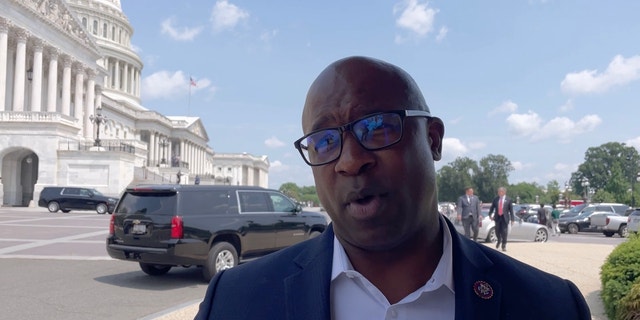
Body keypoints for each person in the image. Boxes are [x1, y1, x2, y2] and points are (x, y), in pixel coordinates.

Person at [195, 56, 590, 319]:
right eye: (325, 142)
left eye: (378, 128)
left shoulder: (550, 306)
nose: (350, 161)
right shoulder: (233, 303)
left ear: (433, 139)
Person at [488, 187, 515, 252]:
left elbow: (511, 210)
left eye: (500, 191)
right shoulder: (496, 199)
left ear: (504, 192)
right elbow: (492, 208)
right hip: (497, 217)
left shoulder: (508, 199)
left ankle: (504, 245)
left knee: (504, 232)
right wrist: (490, 215)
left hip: (504, 217)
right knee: (497, 231)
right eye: (498, 191)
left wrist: (512, 219)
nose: (499, 193)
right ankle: (499, 240)